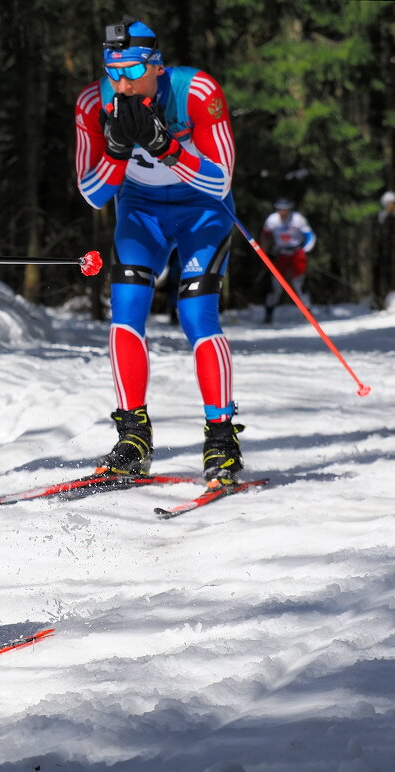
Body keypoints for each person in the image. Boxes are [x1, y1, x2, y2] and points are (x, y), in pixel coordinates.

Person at [74, 17, 243, 486]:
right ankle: (133, 436)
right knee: (126, 310)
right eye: (112, 72)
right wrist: (114, 149)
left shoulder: (197, 90)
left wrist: (166, 146)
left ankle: (221, 438)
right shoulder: (95, 101)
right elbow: (93, 193)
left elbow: (220, 179)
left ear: (156, 65)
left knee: (196, 315)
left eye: (130, 71)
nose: (120, 83)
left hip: (201, 212)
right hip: (141, 211)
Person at [260, 199, 316, 323]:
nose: (283, 212)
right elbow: (265, 236)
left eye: (285, 209)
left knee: (299, 283)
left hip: (297, 252)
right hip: (281, 253)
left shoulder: (298, 219)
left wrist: (305, 249)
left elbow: (310, 235)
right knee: (276, 285)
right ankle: (269, 313)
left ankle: (308, 313)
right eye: (280, 209)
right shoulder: (272, 220)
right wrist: (264, 253)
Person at [374, 190, 395, 310]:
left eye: (391, 203)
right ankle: (381, 302)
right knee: (383, 278)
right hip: (384, 254)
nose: (390, 206)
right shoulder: (382, 217)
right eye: (388, 203)